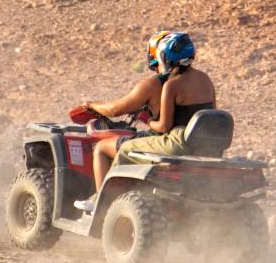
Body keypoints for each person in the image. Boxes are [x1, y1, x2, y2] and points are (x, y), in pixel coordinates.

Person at [73, 30, 215, 213]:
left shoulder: (171, 85)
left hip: (177, 141)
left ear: (165, 57)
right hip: (202, 142)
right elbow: (209, 114)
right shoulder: (206, 79)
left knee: (109, 148)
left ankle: (102, 201)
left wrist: (146, 119)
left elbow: (163, 126)